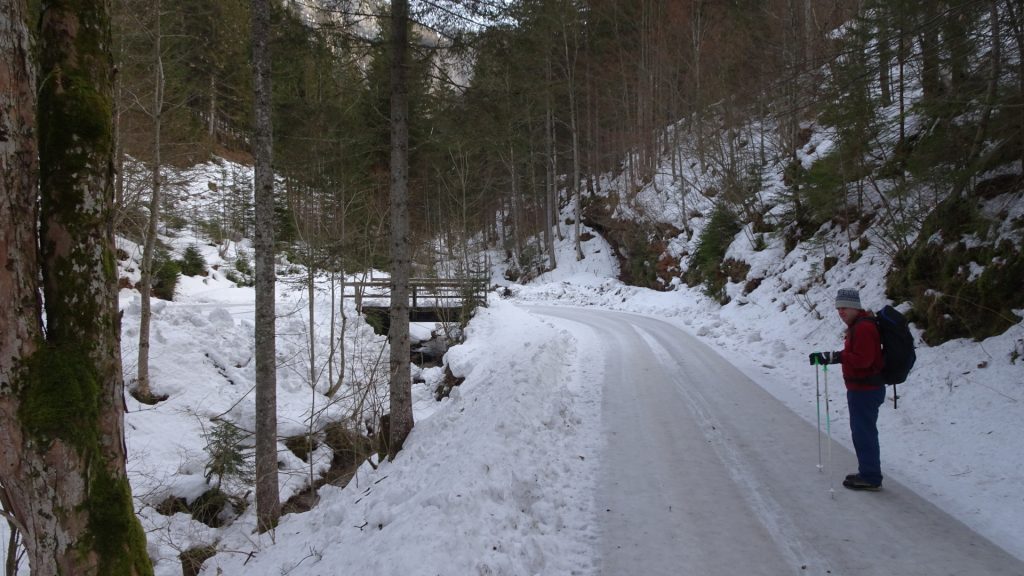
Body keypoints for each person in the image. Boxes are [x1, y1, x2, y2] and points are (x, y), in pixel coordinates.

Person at [809, 288, 886, 491]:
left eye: (845, 307)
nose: (841, 312)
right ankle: (868, 472)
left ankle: (870, 476)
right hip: (862, 388)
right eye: (838, 308)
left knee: (864, 433)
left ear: (855, 307)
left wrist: (837, 357)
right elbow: (855, 354)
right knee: (862, 432)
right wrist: (830, 356)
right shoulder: (858, 326)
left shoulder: (863, 328)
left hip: (865, 389)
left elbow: (863, 360)